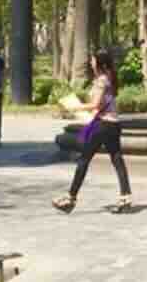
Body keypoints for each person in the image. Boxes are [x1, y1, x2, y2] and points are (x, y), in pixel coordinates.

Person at [52, 49, 132, 214]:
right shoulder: (109, 78)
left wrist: (74, 106)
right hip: (113, 124)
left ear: (100, 63)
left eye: (93, 60)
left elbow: (95, 104)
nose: (91, 62)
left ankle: (70, 198)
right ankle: (126, 196)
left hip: (103, 125)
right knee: (117, 159)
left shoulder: (101, 81)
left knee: (84, 159)